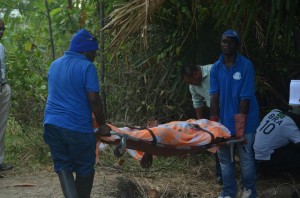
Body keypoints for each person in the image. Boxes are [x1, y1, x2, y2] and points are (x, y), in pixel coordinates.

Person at [43, 29, 111, 198]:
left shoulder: (55, 64)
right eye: (93, 51)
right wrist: (102, 125)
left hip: (51, 125)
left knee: (62, 165)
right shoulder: (87, 67)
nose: (95, 55)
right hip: (76, 128)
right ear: (85, 50)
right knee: (85, 167)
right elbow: (94, 99)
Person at [210, 30, 259, 198]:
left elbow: (245, 98)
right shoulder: (216, 68)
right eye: (224, 41)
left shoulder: (246, 65)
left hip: (246, 120)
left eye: (231, 42)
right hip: (224, 121)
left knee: (245, 157)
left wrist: (240, 127)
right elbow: (214, 96)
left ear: (237, 45)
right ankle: (229, 191)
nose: (227, 45)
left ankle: (249, 190)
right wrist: (215, 125)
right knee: (224, 159)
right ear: (220, 43)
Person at [181, 64, 222, 185]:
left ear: (196, 74)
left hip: (230, 109)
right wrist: (202, 125)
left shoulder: (214, 70)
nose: (192, 85)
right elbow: (197, 102)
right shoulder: (193, 85)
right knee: (217, 143)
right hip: (215, 114)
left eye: (192, 81)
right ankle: (221, 175)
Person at [254, 81, 300, 178]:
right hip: (266, 157)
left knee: (286, 146)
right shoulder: (290, 126)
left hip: (257, 153)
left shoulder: (274, 112)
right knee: (296, 158)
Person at [0, 18, 13, 171]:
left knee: (1, 126)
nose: (1, 32)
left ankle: (0, 161)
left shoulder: (1, 47)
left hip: (3, 88)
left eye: (3, 29)